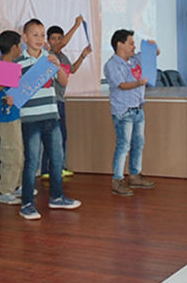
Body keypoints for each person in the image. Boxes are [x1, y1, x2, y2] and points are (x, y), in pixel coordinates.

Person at [17, 19, 81, 220]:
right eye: (35, 35)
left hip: (51, 115)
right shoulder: (18, 63)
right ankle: (26, 203)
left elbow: (63, 81)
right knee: (32, 160)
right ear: (25, 38)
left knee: (57, 157)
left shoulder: (49, 58)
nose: (39, 39)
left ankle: (57, 196)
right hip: (31, 118)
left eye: (42, 35)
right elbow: (15, 92)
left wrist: (57, 65)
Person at [104, 29, 158, 196]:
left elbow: (155, 53)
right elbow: (121, 84)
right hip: (123, 111)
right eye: (131, 43)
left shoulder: (135, 60)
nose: (134, 46)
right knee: (123, 146)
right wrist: (138, 83)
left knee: (138, 144)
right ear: (120, 45)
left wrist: (152, 46)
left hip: (138, 109)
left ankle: (135, 175)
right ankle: (117, 180)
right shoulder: (111, 64)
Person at [42, 18, 92, 177]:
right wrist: (76, 25)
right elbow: (61, 45)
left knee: (62, 135)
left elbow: (72, 70)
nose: (57, 41)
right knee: (53, 136)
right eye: (53, 38)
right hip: (51, 101)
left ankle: (57, 167)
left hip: (61, 100)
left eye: (59, 38)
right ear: (48, 41)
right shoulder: (50, 55)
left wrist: (83, 55)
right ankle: (47, 169)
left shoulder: (62, 57)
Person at [0, 30, 24, 205]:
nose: (22, 48)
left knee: (18, 152)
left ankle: (16, 185)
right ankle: (5, 190)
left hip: (16, 114)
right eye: (20, 44)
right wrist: (6, 81)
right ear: (14, 47)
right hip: (5, 117)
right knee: (10, 152)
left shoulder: (15, 66)